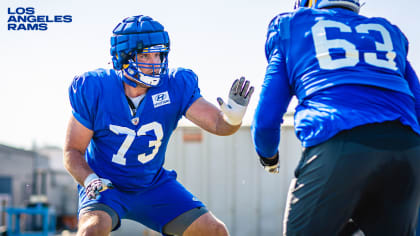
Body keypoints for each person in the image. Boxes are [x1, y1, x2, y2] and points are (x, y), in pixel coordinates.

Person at [63, 15, 253, 236]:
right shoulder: (96, 88)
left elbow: (219, 126)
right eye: (146, 55)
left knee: (215, 231)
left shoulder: (174, 85)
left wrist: (233, 119)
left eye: (159, 55)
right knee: (91, 230)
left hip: (153, 185)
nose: (155, 63)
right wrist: (90, 179)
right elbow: (72, 151)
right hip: (106, 185)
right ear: (123, 57)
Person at [251, 0, 420, 235]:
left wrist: (269, 158)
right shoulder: (389, 33)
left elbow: (266, 120)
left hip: (340, 139)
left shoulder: (291, 26)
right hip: (407, 149)